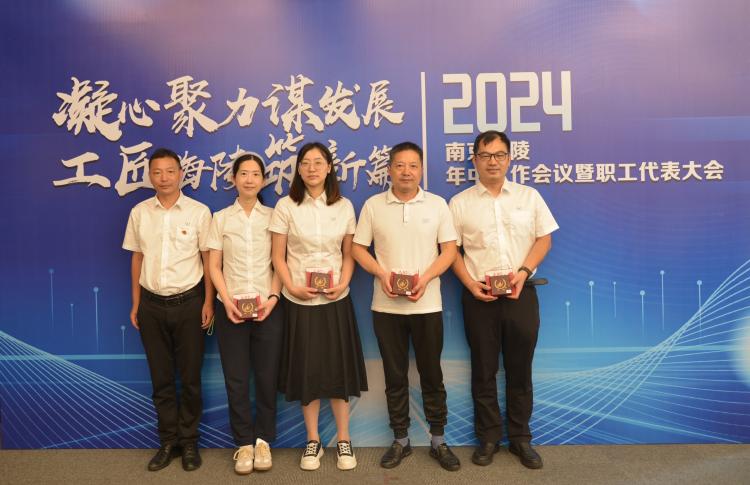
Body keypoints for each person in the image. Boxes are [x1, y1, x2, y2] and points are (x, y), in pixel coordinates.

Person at [449, 130, 558, 469]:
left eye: (499, 155)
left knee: (519, 369)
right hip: (478, 296)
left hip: (521, 293)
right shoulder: (460, 203)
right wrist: (470, 284)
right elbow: (451, 251)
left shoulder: (529, 196)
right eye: (485, 155)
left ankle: (521, 438)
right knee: (483, 369)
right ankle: (489, 438)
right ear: (475, 160)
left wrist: (523, 272)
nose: (492, 161)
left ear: (509, 159)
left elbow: (544, 239)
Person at [351, 141, 460, 472]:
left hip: (428, 306)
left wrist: (425, 278)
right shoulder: (373, 205)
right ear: (389, 170)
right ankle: (400, 439)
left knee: (432, 374)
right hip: (386, 307)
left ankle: (438, 440)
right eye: (400, 165)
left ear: (421, 170)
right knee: (394, 376)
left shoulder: (437, 205)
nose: (406, 172)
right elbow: (358, 248)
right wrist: (381, 273)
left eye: (413, 165)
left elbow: (449, 251)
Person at [269, 142, 367, 471]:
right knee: (306, 370)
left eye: (318, 162)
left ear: (329, 168)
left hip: (336, 298)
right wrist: (292, 286)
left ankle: (343, 440)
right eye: (305, 163)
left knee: (338, 369)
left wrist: (344, 282)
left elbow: (349, 254)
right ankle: (313, 441)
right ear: (298, 170)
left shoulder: (344, 206)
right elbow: (277, 257)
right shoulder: (286, 206)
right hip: (299, 299)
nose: (312, 168)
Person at [122, 147, 214, 472]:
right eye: (157, 172)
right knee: (160, 379)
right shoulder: (140, 212)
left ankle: (189, 443)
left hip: (189, 304)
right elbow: (137, 258)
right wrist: (136, 303)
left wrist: (208, 301)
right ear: (150, 176)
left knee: (190, 379)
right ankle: (167, 442)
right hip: (151, 305)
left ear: (180, 174)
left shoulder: (199, 212)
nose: (163, 178)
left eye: (170, 171)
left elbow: (208, 260)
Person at [207, 153, 283, 475]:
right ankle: (243, 444)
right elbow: (213, 265)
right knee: (236, 379)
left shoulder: (275, 217)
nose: (249, 179)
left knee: (267, 377)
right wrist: (226, 302)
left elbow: (281, 262)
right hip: (231, 310)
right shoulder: (221, 218)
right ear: (233, 179)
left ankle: (263, 440)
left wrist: (273, 298)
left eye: (255, 174)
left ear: (263, 180)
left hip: (268, 309)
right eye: (243, 174)